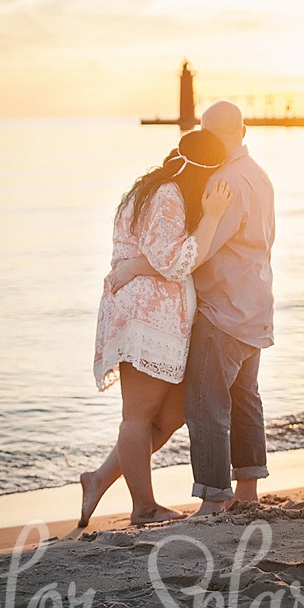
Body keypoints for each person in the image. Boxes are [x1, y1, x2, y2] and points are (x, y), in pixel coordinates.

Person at [78, 128, 232, 526]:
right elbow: (176, 261)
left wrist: (136, 265)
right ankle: (143, 507)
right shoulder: (166, 195)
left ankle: (97, 479)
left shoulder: (156, 190)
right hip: (145, 317)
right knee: (138, 415)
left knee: (170, 414)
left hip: (160, 318)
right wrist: (213, 215)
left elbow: (154, 257)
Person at [182, 101, 277, 515]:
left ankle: (214, 499)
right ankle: (248, 491)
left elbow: (202, 251)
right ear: (243, 129)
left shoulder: (225, 181)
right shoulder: (259, 175)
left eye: (208, 132)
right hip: (256, 304)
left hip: (224, 308)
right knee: (245, 398)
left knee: (206, 403)